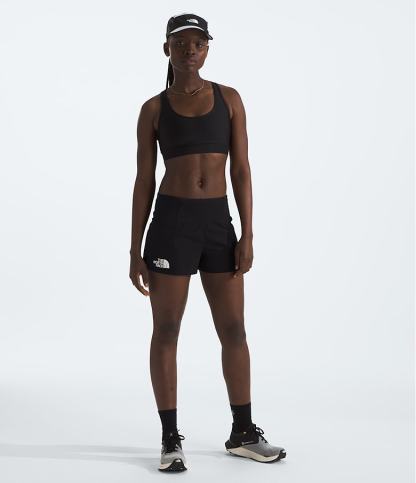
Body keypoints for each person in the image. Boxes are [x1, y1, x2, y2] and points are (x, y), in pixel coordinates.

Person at [129, 13, 286, 472]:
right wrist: (135, 248)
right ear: (167, 49)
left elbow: (242, 170)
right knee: (167, 331)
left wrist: (247, 234)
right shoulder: (153, 109)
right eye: (181, 43)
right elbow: (143, 181)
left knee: (234, 329)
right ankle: (170, 440)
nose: (190, 51)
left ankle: (243, 432)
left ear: (207, 49)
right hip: (171, 225)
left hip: (218, 224)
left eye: (198, 43)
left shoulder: (229, 99)